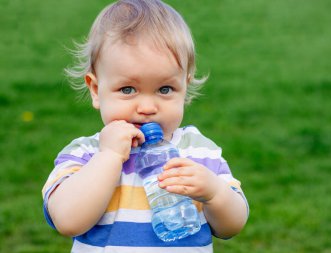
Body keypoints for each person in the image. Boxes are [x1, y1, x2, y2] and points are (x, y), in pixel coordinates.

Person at [42, 0, 249, 252]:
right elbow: (67, 220)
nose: (147, 107)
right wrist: (109, 156)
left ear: (184, 87)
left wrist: (215, 193)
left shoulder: (198, 152)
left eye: (165, 89)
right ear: (96, 90)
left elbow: (232, 226)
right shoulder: (85, 153)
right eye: (127, 89)